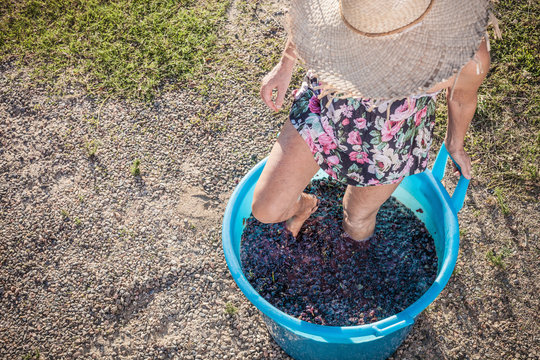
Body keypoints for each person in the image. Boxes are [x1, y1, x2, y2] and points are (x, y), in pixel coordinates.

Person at [251, 0, 497, 242]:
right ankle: (305, 205)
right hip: (328, 105)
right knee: (267, 208)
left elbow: (462, 98)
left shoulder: (465, 51)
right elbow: (311, 15)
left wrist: (455, 143)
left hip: (392, 137)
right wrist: (285, 64)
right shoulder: (360, 8)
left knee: (356, 221)